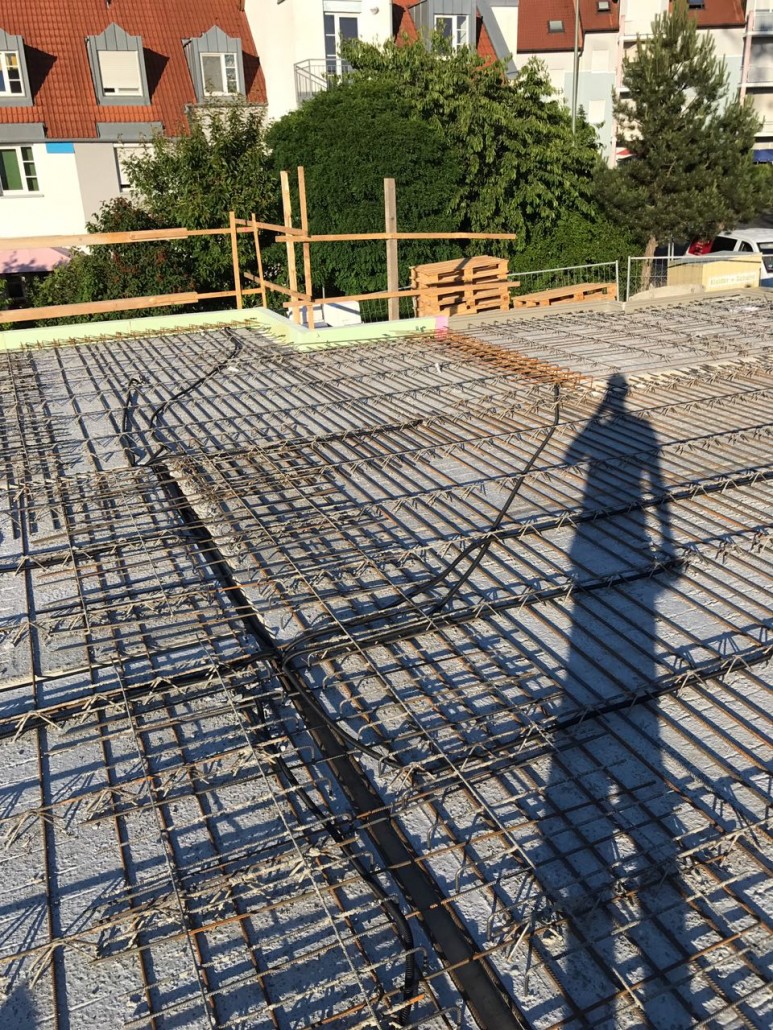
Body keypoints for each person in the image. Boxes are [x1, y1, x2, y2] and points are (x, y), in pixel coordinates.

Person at [539, 373, 686, 1024]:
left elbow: (571, 458)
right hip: (618, 538)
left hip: (597, 539)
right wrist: (665, 544)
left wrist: (594, 422)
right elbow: (639, 478)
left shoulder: (617, 429)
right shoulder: (638, 428)